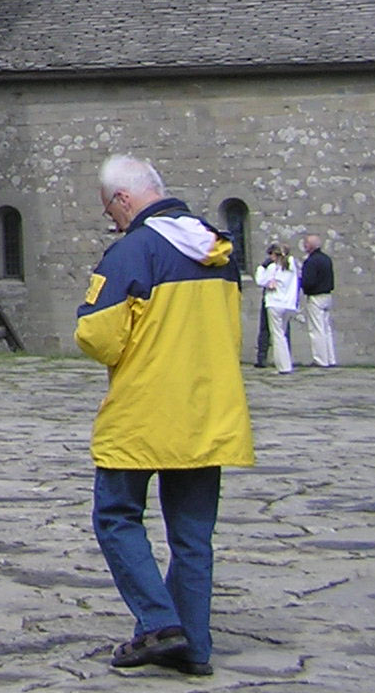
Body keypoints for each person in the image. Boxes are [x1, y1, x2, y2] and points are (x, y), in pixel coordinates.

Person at [77, 156, 255, 678]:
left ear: (124, 200)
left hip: (144, 411)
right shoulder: (219, 251)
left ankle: (158, 622)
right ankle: (194, 647)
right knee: (193, 537)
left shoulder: (132, 251)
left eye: (109, 208)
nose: (111, 219)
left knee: (115, 517)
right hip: (207, 412)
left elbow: (98, 337)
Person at [253, 244, 298, 374]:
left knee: (277, 336)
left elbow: (260, 280)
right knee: (282, 334)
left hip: (275, 303)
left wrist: (262, 267)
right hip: (288, 304)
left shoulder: (273, 268)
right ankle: (286, 363)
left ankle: (283, 367)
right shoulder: (292, 266)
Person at [299, 234, 338, 367]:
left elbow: (308, 281)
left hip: (316, 296)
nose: (305, 246)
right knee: (326, 329)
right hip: (327, 295)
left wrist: (303, 284)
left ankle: (320, 359)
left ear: (311, 246)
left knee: (316, 329)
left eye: (306, 243)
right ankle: (330, 358)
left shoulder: (311, 261)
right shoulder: (326, 259)